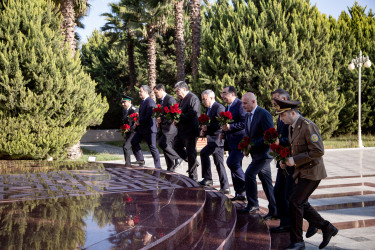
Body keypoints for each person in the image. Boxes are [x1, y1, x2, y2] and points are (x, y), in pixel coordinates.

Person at [275, 98, 338, 250]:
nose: (280, 119)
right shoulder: (292, 127)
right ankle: (326, 227)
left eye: (282, 115)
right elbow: (295, 149)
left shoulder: (308, 126)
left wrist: (294, 160)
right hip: (301, 171)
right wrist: (285, 160)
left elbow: (318, 151)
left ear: (291, 113)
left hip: (312, 172)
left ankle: (297, 241)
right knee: (298, 201)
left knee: (295, 202)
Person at [240, 92, 277, 218]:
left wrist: (252, 144)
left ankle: (253, 204)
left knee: (249, 174)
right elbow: (248, 134)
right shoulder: (247, 115)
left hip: (265, 154)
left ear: (254, 102)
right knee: (267, 184)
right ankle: (274, 209)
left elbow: (269, 135)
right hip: (256, 154)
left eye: (245, 103)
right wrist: (246, 146)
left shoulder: (263, 114)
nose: (243, 105)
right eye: (242, 103)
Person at [270, 89, 295, 230]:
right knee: (279, 192)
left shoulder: (292, 115)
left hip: (291, 160)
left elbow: (295, 138)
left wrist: (281, 141)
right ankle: (285, 223)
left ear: (284, 98)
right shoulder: (280, 115)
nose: (273, 101)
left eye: (276, 98)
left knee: (289, 195)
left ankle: (315, 224)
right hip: (283, 159)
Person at [198, 89, 230, 194]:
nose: (203, 101)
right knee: (217, 162)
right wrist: (204, 131)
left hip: (217, 140)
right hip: (212, 139)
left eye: (204, 99)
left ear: (211, 98)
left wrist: (208, 128)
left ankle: (212, 181)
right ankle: (222, 185)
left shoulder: (218, 107)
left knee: (213, 159)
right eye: (202, 99)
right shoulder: (209, 109)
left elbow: (221, 124)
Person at [220, 86, 247, 200]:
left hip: (240, 141)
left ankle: (248, 183)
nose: (222, 96)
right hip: (231, 141)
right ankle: (239, 193)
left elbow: (244, 122)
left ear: (232, 94)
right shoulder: (227, 107)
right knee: (234, 168)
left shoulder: (240, 105)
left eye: (224, 93)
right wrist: (223, 132)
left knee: (232, 162)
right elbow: (226, 123)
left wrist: (230, 127)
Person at [173, 81, 201, 180]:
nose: (177, 93)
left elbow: (193, 113)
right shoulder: (180, 100)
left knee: (191, 151)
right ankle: (193, 162)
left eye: (178, 91)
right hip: (181, 130)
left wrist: (179, 118)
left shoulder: (193, 98)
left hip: (191, 130)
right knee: (176, 146)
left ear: (184, 89)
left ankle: (193, 176)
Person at [153, 84, 183, 171]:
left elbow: (173, 114)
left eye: (156, 92)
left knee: (162, 143)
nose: (156, 94)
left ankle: (178, 157)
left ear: (162, 90)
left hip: (171, 127)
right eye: (154, 93)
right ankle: (170, 167)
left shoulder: (170, 99)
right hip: (164, 127)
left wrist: (161, 118)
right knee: (166, 147)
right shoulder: (162, 101)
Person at [131, 85, 161, 169]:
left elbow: (150, 116)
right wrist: (137, 121)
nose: (139, 93)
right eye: (139, 91)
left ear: (146, 92)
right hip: (142, 129)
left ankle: (158, 167)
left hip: (150, 129)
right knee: (134, 141)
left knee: (152, 147)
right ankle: (140, 159)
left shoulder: (150, 102)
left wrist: (139, 121)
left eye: (141, 91)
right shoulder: (143, 101)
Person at [121, 95, 138, 166]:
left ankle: (128, 164)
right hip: (128, 132)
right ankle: (128, 163)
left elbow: (137, 122)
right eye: (122, 102)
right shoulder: (125, 110)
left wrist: (131, 129)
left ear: (129, 102)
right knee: (125, 146)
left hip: (134, 132)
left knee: (126, 147)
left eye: (124, 102)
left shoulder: (134, 110)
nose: (122, 104)